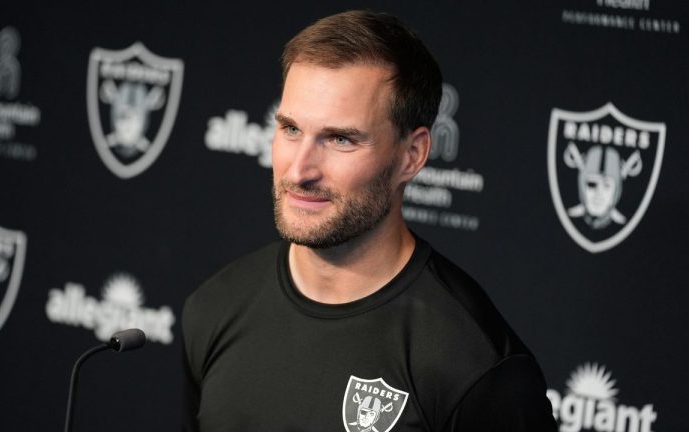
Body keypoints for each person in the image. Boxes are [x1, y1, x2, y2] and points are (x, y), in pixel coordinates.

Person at [182, 10, 556, 432]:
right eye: (290, 129)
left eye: (340, 139)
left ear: (411, 156)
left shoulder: (473, 364)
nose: (299, 170)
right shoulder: (214, 307)